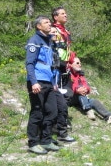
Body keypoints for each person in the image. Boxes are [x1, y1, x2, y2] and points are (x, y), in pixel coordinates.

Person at [25, 16, 59, 155]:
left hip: (48, 81)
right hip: (37, 81)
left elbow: (52, 63)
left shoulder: (49, 41)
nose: (49, 24)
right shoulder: (35, 41)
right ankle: (33, 143)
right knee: (37, 112)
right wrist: (34, 82)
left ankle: (46, 140)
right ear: (39, 26)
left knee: (52, 111)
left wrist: (54, 82)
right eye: (46, 22)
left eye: (49, 22)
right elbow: (29, 63)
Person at [68, 54, 111, 124]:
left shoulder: (81, 75)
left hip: (81, 98)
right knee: (80, 92)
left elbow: (87, 87)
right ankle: (88, 110)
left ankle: (109, 117)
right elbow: (68, 86)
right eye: (77, 63)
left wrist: (85, 89)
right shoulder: (68, 74)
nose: (80, 65)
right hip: (71, 97)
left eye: (80, 63)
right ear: (71, 64)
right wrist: (77, 90)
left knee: (94, 101)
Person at [50, 27, 75, 143]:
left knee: (63, 105)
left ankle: (62, 133)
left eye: (56, 32)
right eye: (53, 32)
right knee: (47, 109)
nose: (56, 34)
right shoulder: (42, 45)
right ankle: (45, 136)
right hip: (46, 81)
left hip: (57, 79)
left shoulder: (56, 47)